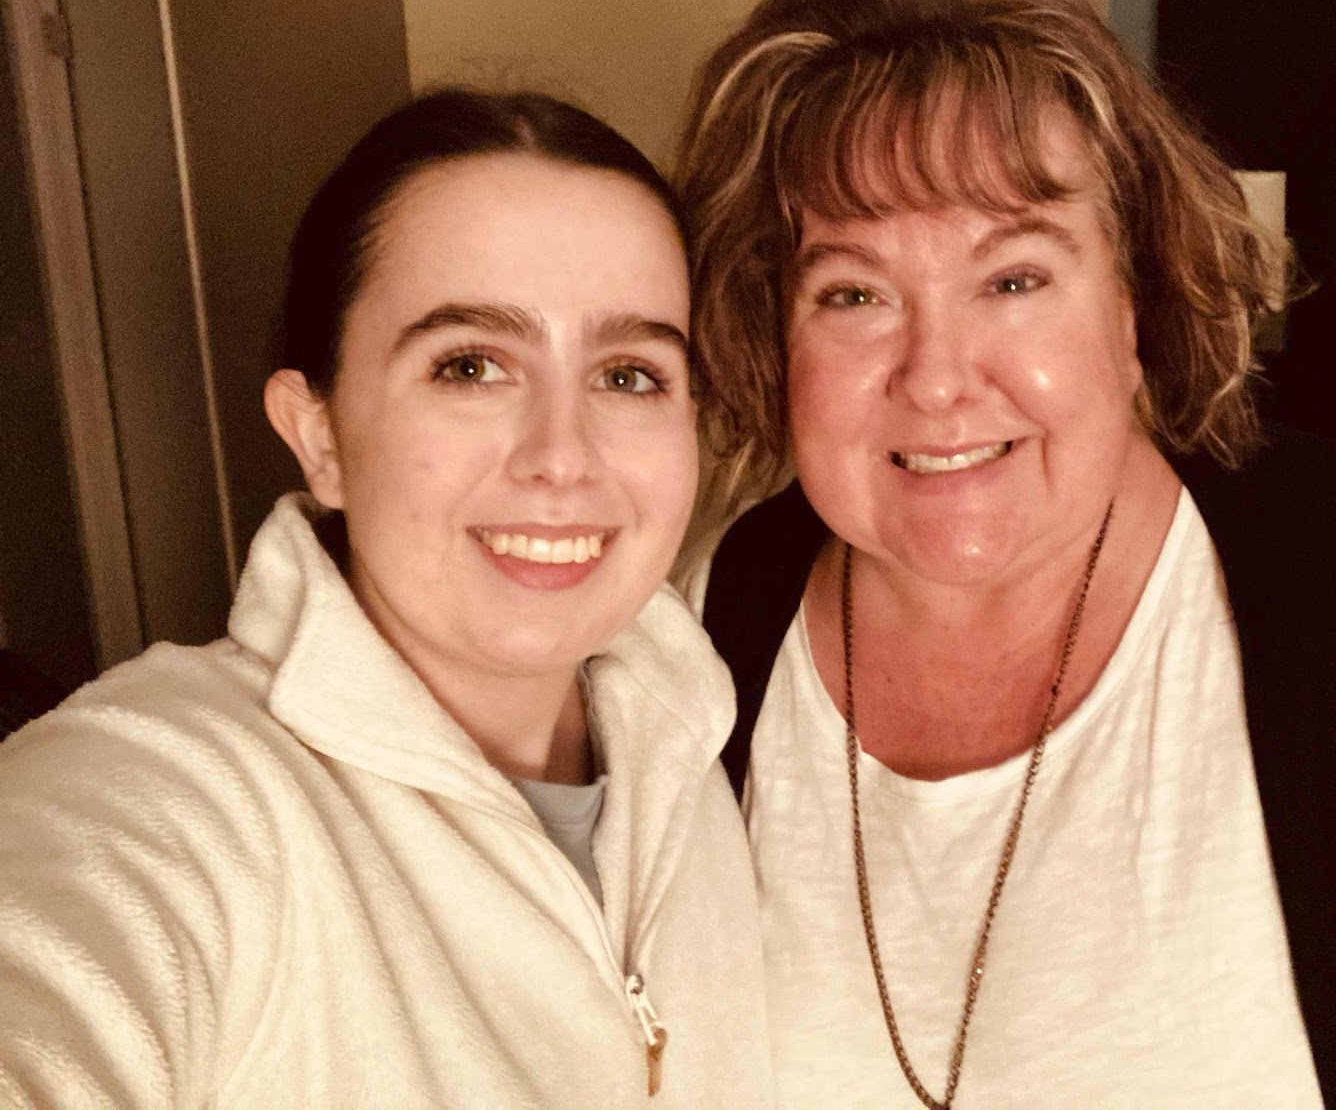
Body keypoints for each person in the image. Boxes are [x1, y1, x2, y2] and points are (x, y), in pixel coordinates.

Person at [675, 0, 1336, 1109]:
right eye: (852, 293)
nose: (938, 377)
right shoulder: (714, 613)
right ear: (772, 333)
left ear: (1135, 301)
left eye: (1012, 279)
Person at [0, 90, 772, 1108]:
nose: (563, 455)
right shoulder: (162, 791)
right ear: (318, 435)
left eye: (629, 375)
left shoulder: (689, 739)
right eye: (470, 365)